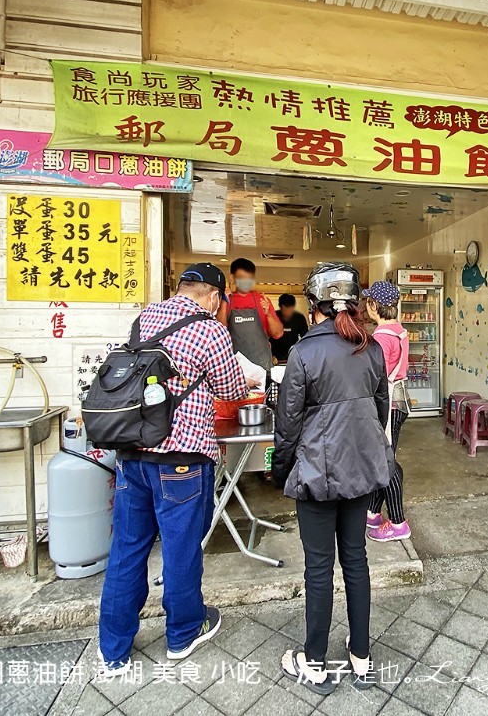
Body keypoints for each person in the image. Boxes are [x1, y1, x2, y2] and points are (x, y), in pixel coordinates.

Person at [99, 263, 262, 675]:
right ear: (213, 297)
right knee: (180, 547)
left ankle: (113, 648)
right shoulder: (210, 329)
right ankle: (183, 631)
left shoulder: (146, 316)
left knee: (127, 547)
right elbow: (228, 389)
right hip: (181, 460)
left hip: (132, 455)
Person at [271, 263, 393, 696]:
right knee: (356, 560)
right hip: (361, 471)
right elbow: (380, 413)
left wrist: (281, 471)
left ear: (313, 305)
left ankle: (316, 663)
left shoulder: (303, 353)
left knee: (319, 568)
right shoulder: (371, 348)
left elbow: (286, 426)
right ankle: (361, 657)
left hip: (317, 475)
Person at [363, 281, 412, 542]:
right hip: (400, 401)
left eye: (367, 301)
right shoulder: (399, 331)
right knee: (386, 456)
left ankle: (397, 522)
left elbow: (376, 377)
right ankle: (372, 512)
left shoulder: (381, 338)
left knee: (385, 462)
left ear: (374, 305)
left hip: (388, 404)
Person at [218, 258, 283, 372]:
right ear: (232, 278)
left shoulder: (262, 300)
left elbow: (278, 333)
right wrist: (223, 303)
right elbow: (219, 333)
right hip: (234, 370)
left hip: (262, 368)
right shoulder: (226, 301)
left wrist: (268, 315)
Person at [269, 294, 309, 364]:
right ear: (280, 307)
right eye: (285, 310)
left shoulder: (299, 318)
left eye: (290, 310)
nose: (287, 313)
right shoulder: (273, 317)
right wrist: (270, 355)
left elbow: (305, 339)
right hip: (274, 357)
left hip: (293, 356)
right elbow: (266, 338)